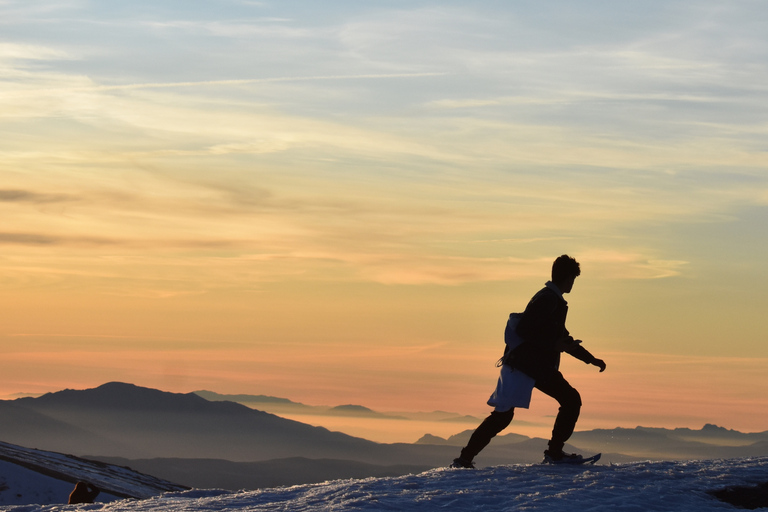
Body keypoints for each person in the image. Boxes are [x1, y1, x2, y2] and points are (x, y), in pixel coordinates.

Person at [451, 255, 606, 468]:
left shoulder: (552, 299)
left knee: (563, 401)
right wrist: (554, 345)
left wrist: (590, 359)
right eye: (573, 279)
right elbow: (527, 330)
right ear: (568, 277)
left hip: (531, 365)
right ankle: (553, 453)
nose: (573, 284)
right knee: (567, 401)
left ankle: (465, 459)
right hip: (527, 365)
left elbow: (562, 338)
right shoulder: (548, 300)